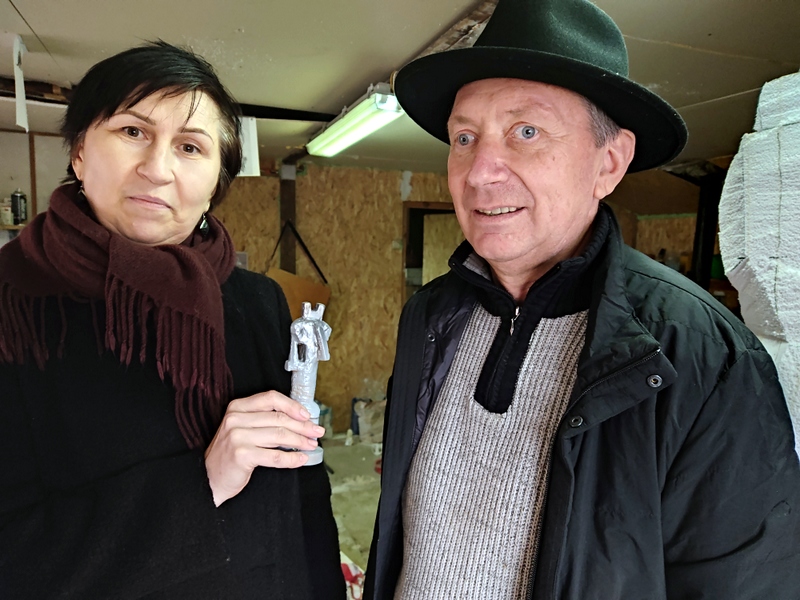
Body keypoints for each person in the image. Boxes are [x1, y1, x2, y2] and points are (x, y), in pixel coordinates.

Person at [365, 0, 800, 598]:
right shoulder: (431, 314)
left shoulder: (707, 357)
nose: (480, 171)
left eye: (527, 131)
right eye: (464, 137)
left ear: (609, 163)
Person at [0, 41, 344, 599]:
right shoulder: (14, 301)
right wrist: (199, 486)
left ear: (215, 182)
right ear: (80, 151)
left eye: (189, 146)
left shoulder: (257, 303)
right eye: (133, 131)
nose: (157, 169)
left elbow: (300, 501)